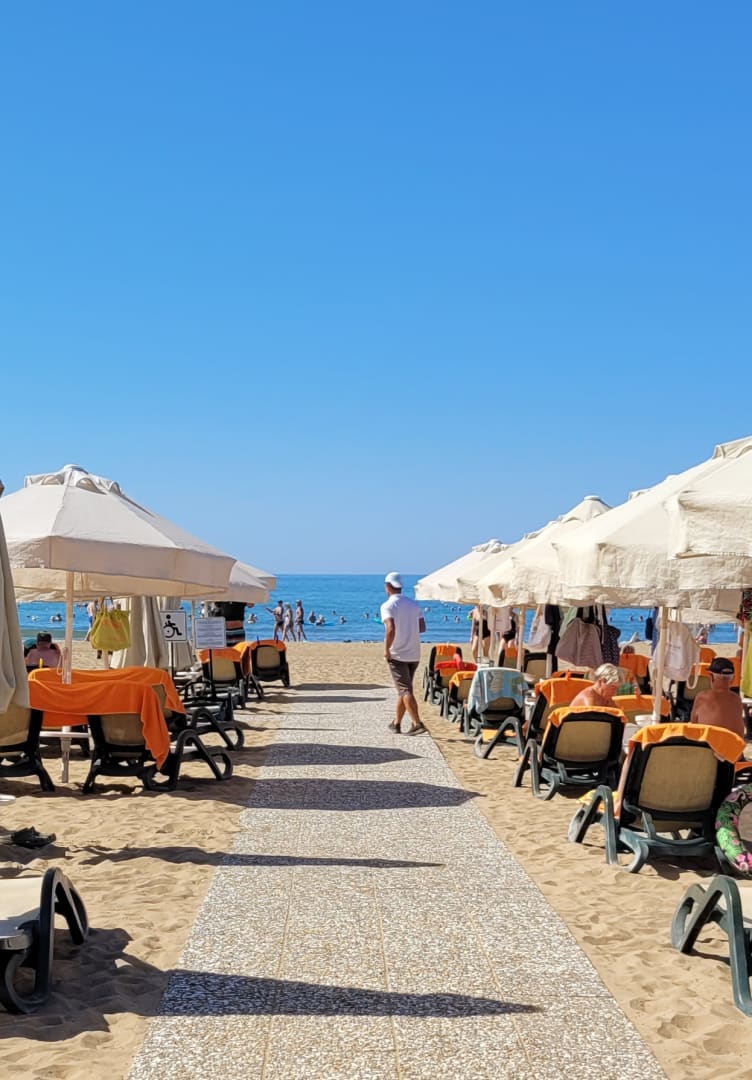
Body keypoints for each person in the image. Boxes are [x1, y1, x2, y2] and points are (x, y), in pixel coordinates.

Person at [381, 572, 426, 735]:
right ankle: (396, 723)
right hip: (414, 653)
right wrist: (409, 629)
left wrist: (387, 649)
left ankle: (417, 723)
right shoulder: (414, 605)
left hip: (398, 654)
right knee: (404, 689)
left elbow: (390, 629)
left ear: (387, 587)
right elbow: (422, 628)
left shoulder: (387, 606)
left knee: (405, 690)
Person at [690, 656, 745, 740]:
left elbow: (694, 723)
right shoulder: (737, 699)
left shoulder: (702, 697)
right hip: (732, 746)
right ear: (732, 679)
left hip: (708, 745)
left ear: (711, 677)